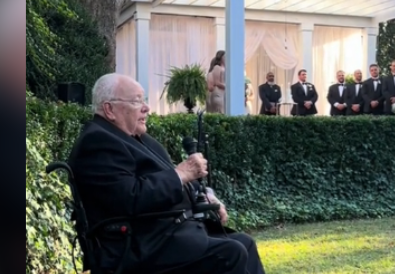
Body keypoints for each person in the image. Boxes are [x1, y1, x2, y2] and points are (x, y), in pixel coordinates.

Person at [68, 73, 266, 274]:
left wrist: (207, 194)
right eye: (137, 101)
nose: (146, 107)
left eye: (144, 100)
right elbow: (129, 197)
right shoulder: (98, 141)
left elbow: (180, 179)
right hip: (137, 246)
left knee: (245, 243)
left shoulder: (137, 138)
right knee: (230, 252)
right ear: (110, 109)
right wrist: (180, 174)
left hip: (168, 234)